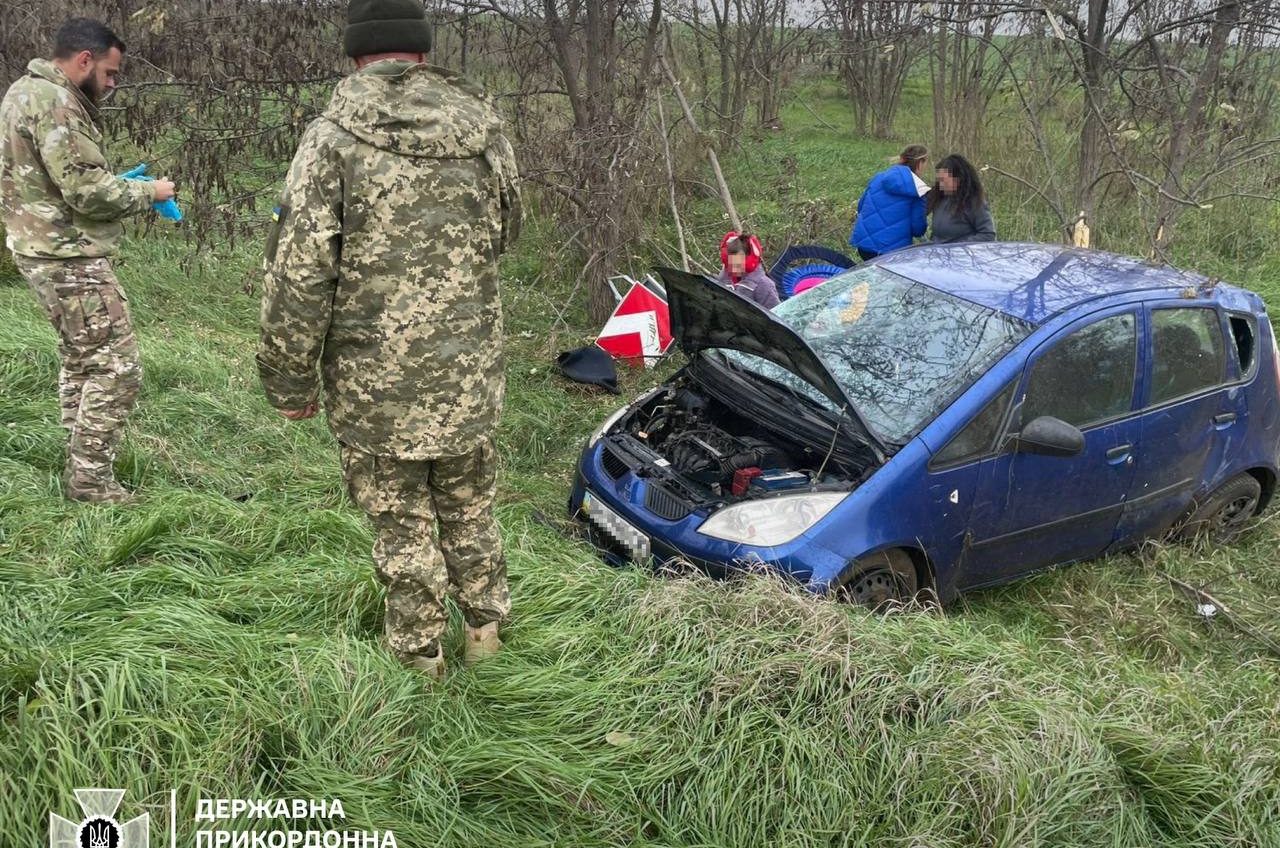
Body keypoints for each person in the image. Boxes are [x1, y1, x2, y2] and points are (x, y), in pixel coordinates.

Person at [257, 0, 521, 680]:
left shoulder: (332, 139)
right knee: (470, 507)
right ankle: (486, 636)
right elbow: (506, 233)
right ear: (423, 51)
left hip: (377, 388)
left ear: (355, 54)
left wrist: (288, 380)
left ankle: (420, 666)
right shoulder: (483, 128)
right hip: (466, 373)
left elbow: (299, 272)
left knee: (402, 528)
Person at [0, 18, 178, 504]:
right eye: (110, 72)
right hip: (68, 256)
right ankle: (91, 484)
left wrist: (109, 179)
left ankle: (81, 461)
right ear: (84, 60)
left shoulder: (24, 91)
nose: (113, 83)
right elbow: (87, 192)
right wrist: (149, 191)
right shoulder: (58, 105)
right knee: (117, 368)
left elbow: (49, 177)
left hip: (38, 247)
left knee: (81, 360)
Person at [849, 144, 929, 262]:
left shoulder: (878, 178)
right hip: (893, 252)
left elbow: (861, 207)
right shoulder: (918, 189)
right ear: (920, 163)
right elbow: (918, 229)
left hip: (864, 246)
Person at [928, 154, 996, 243]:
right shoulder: (939, 199)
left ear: (958, 179)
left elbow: (988, 235)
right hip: (938, 254)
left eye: (943, 180)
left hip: (962, 255)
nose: (940, 185)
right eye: (939, 180)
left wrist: (957, 247)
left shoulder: (973, 202)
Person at [715, 231, 780, 309]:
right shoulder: (723, 279)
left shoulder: (764, 285)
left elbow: (775, 314)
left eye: (738, 260)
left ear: (748, 260)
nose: (734, 265)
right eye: (731, 260)